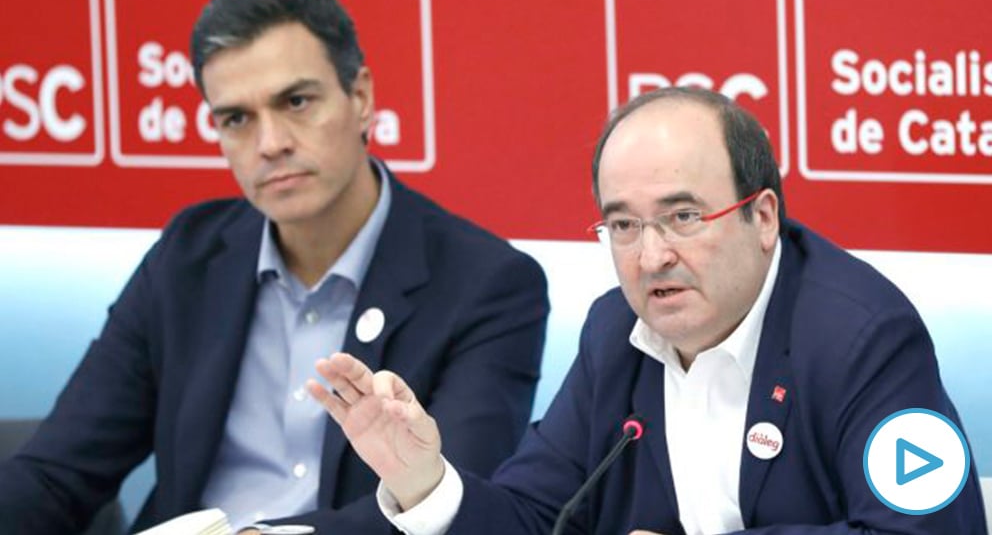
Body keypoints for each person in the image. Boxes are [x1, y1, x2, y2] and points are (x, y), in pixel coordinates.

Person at [0, 0, 549, 533]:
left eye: (296, 102)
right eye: (236, 119)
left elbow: (451, 509)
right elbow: (57, 472)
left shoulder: (489, 285)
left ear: (360, 98)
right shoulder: (187, 256)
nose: (270, 143)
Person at [310, 86, 988, 534]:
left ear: (762, 217)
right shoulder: (615, 333)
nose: (652, 255)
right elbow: (535, 518)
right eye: (624, 226)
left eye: (683, 216)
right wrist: (423, 481)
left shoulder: (862, 337)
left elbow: (925, 532)